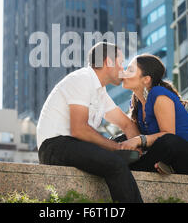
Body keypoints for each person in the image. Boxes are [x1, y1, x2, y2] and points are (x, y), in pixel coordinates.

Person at [36, 42, 144, 203]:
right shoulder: (82, 79)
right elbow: (79, 129)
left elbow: (127, 125)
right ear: (108, 62)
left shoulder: (100, 92)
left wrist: (138, 149)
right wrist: (117, 148)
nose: (122, 69)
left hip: (75, 145)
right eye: (121, 63)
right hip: (55, 147)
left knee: (124, 145)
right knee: (116, 163)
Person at [120, 54, 188, 176]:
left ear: (146, 79)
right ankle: (133, 167)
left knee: (167, 141)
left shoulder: (158, 94)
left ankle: (132, 169)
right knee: (121, 140)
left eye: (130, 70)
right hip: (168, 155)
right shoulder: (136, 104)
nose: (123, 73)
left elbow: (168, 135)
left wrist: (138, 140)